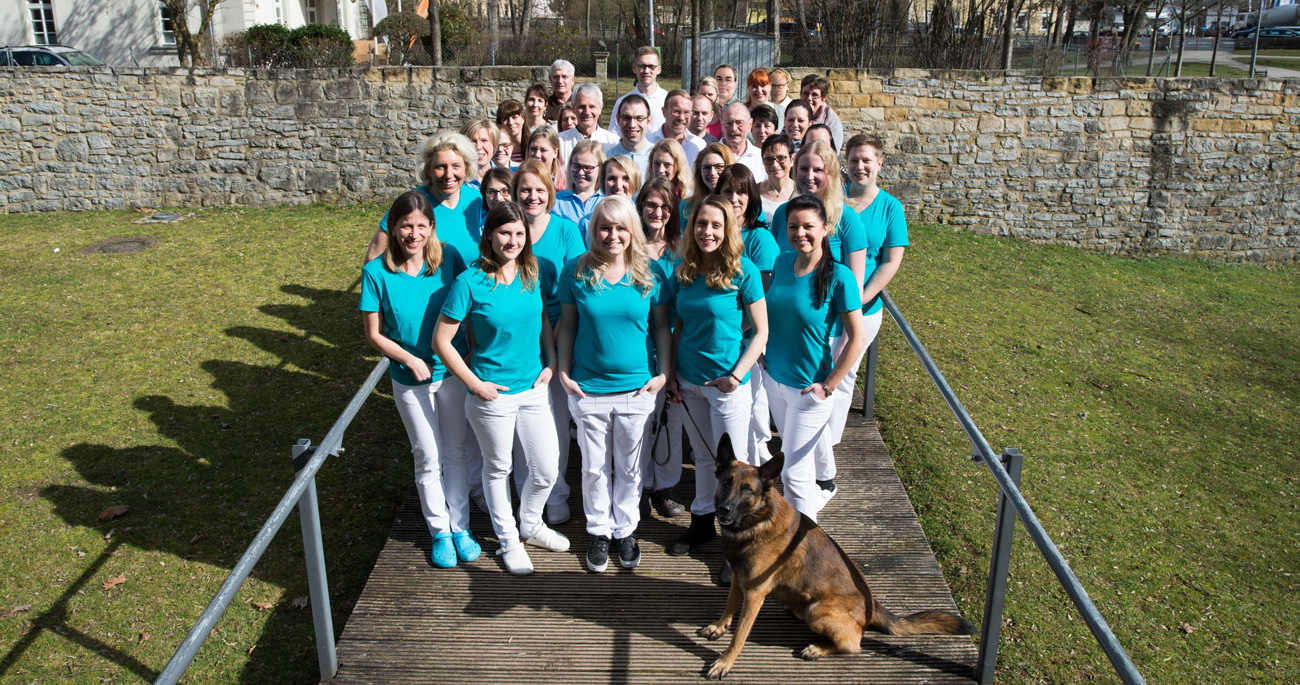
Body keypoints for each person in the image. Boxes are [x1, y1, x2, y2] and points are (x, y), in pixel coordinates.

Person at [434, 202, 567, 576]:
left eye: (519, 234)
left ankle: (531, 524)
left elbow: (542, 317)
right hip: (493, 394)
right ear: (489, 235)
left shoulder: (530, 271)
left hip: (534, 388)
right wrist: (474, 384)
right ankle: (508, 540)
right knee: (498, 469)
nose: (512, 240)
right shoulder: (469, 282)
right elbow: (441, 341)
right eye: (505, 233)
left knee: (545, 469)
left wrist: (551, 361)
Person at [361, 191, 479, 569]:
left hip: (451, 372)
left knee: (455, 451)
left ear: (432, 228)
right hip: (409, 378)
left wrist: (471, 355)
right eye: (405, 226)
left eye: (421, 226)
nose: (413, 234)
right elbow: (374, 334)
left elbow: (468, 309)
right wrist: (409, 358)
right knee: (427, 454)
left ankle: (460, 525)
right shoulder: (376, 272)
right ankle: (439, 529)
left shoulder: (450, 261)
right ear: (392, 228)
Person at [557, 196, 672, 572]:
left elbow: (660, 328)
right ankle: (599, 531)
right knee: (593, 467)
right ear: (593, 230)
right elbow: (568, 326)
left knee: (630, 466)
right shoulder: (576, 271)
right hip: (588, 388)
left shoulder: (650, 273)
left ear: (632, 230)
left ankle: (626, 529)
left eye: (621, 227)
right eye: (605, 227)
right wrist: (563, 370)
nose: (613, 235)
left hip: (637, 388)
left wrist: (663, 373)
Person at [665, 194, 768, 558]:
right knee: (706, 460)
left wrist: (736, 376)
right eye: (701, 224)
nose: (707, 231)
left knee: (735, 468)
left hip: (726, 385)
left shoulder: (744, 271)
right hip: (690, 383)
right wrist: (673, 375)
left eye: (716, 225)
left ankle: (739, 543)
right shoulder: (684, 269)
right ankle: (701, 523)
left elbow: (761, 332)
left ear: (728, 229)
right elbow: (676, 326)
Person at [763, 193, 866, 521]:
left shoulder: (840, 278)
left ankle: (806, 551)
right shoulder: (781, 263)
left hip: (810, 391)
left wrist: (830, 385)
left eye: (808, 226)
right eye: (793, 226)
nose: (800, 233)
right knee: (796, 468)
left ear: (825, 229)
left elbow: (857, 338)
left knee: (793, 475)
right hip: (774, 381)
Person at [826, 133, 908, 476]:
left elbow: (891, 260)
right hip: (822, 303)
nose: (860, 167)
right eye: (854, 160)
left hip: (862, 307)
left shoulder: (890, 207)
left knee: (843, 375)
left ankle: (826, 445)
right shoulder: (832, 200)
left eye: (867, 160)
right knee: (817, 365)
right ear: (845, 163)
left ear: (880, 164)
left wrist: (860, 298)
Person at [513, 159, 586, 525]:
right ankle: (524, 494)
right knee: (519, 427)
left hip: (559, 337)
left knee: (555, 423)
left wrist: (555, 345)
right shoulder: (509, 230)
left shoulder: (566, 231)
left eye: (540, 189)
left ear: (551, 193)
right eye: (525, 189)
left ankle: (555, 493)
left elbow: (575, 285)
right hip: (520, 342)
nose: (532, 196)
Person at [716, 165, 778, 463]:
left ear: (751, 196)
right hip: (726, 336)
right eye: (727, 191)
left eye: (741, 192)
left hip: (748, 334)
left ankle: (758, 462)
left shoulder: (758, 238)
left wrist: (737, 331)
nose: (734, 198)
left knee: (753, 404)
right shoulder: (715, 231)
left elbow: (762, 294)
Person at [635, 177, 688, 518]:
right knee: (640, 421)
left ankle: (664, 486)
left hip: (675, 340)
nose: (657, 212)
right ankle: (637, 485)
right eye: (651, 205)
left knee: (671, 419)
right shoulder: (630, 243)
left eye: (664, 207)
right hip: (639, 342)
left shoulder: (682, 249)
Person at [366, 132, 483, 264]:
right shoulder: (412, 202)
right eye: (440, 167)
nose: (449, 175)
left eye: (456, 166)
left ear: (466, 168)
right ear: (428, 170)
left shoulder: (474, 199)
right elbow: (373, 257)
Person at [608, 46, 667, 135]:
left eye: (651, 66)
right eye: (642, 66)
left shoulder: (667, 100)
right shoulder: (622, 102)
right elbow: (613, 136)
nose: (646, 71)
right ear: (634, 68)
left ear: (658, 69)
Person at [559, 83, 620, 161]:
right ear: (574, 108)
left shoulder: (613, 143)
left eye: (592, 106)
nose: (587, 112)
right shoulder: (560, 142)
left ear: (600, 108)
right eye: (582, 107)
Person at [646, 88, 706, 166]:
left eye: (686, 112)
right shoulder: (647, 142)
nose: (681, 117)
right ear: (664, 112)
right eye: (676, 111)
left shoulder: (699, 146)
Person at [553, 139, 605, 226]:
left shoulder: (608, 199)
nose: (581, 172)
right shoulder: (556, 201)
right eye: (576, 166)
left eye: (588, 168)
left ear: (600, 168)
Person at [606, 94, 654, 178]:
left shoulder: (659, 158)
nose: (632, 125)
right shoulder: (606, 159)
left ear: (649, 121)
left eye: (639, 118)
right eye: (626, 118)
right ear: (618, 120)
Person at [683, 142, 734, 218]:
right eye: (706, 167)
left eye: (719, 166)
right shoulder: (686, 207)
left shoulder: (738, 204)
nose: (712, 173)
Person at [719, 103, 767, 182]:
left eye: (739, 122)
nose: (734, 128)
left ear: (750, 124)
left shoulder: (761, 158)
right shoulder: (710, 156)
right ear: (721, 124)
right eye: (729, 123)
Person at [800, 74, 843, 153]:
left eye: (814, 95)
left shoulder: (832, 121)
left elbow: (833, 153)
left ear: (823, 99)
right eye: (805, 94)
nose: (809, 99)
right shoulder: (793, 113)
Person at [758, 134, 796, 219]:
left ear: (792, 160)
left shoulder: (801, 192)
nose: (775, 165)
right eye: (768, 159)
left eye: (781, 158)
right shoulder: (753, 193)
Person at [461, 119, 501, 190]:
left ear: (494, 145)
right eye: (473, 141)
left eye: (484, 141)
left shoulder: (504, 177)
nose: (478, 147)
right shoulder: (458, 179)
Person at [526, 125, 567, 191]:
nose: (537, 155)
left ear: (555, 152)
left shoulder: (567, 184)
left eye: (543, 150)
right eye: (533, 149)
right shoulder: (518, 177)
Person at [496, 99, 526, 164]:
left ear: (523, 119)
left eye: (514, 117)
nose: (511, 122)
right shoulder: (497, 149)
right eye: (505, 119)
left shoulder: (532, 145)